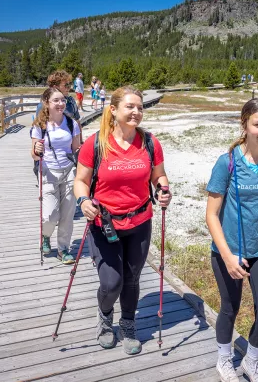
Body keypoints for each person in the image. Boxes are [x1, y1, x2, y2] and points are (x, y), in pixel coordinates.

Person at [74, 86, 172, 355]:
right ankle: (105, 316)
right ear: (114, 110)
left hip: (140, 221)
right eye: (130, 106)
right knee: (112, 282)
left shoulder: (150, 142)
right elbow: (81, 181)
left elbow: (158, 176)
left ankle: (128, 323)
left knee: (132, 279)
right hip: (104, 224)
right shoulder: (95, 144)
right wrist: (84, 201)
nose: (136, 112)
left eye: (139, 107)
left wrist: (163, 190)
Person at [205, 98, 258, 382]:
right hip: (229, 250)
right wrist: (228, 257)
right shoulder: (226, 162)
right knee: (230, 308)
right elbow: (212, 215)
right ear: (245, 125)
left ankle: (252, 361)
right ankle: (224, 359)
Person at [31, 87, 81, 264]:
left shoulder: (71, 123)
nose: (61, 104)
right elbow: (35, 155)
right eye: (56, 101)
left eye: (63, 100)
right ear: (47, 103)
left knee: (67, 214)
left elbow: (76, 149)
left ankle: (63, 249)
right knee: (50, 215)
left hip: (69, 171)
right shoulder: (40, 125)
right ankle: (46, 235)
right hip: (48, 172)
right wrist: (37, 150)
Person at [35, 70, 83, 143]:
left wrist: (81, 142)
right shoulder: (43, 105)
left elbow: (77, 122)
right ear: (55, 87)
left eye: (69, 85)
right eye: (66, 85)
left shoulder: (71, 101)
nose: (69, 88)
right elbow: (38, 128)